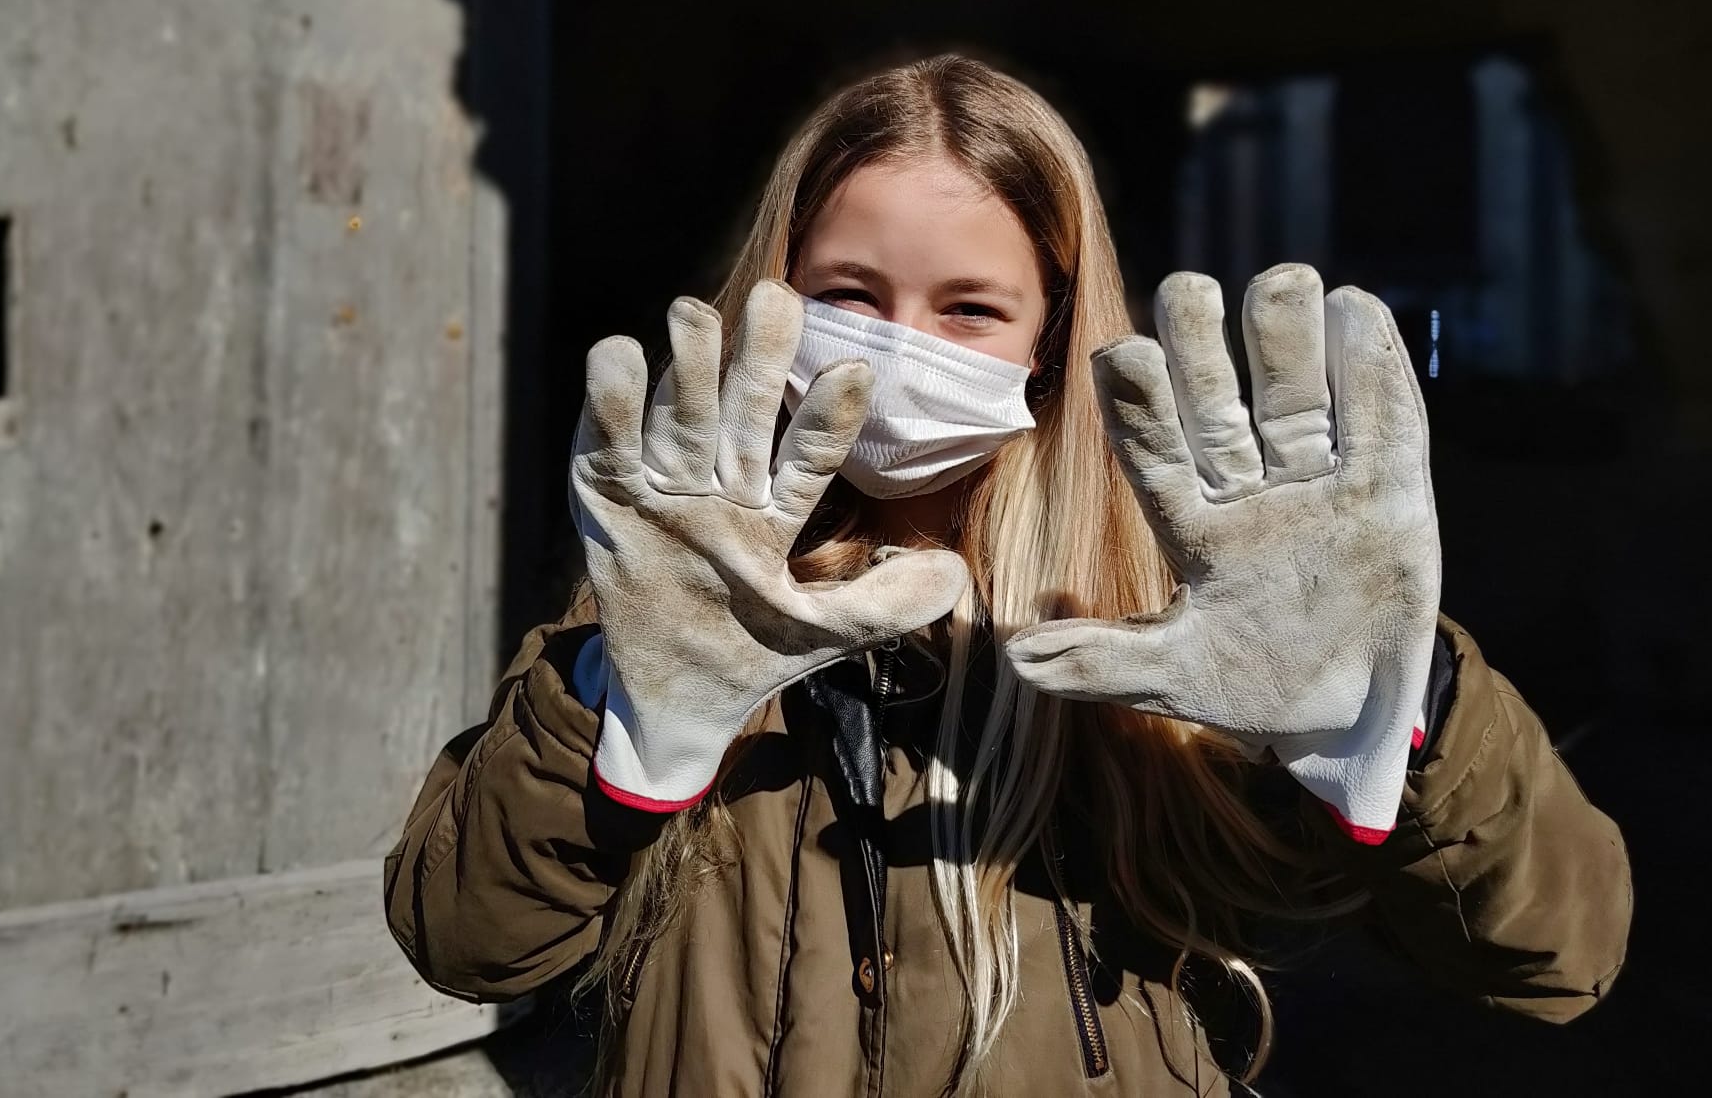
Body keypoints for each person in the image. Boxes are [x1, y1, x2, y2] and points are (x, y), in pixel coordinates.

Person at [385, 54, 1631, 1096]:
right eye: (847, 295)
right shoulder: (672, 586)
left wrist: (1396, 711)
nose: (895, 347)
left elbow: (1554, 956)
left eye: (968, 307)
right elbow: (467, 939)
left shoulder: (1182, 602)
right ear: (777, 297)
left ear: (1047, 332)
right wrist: (617, 708)